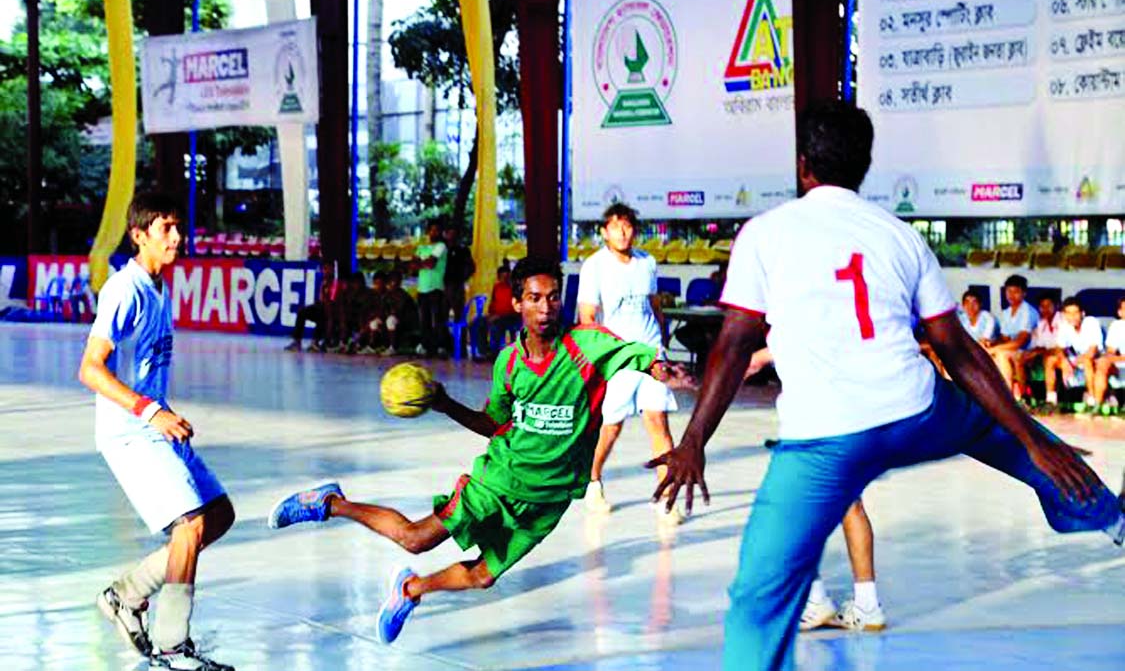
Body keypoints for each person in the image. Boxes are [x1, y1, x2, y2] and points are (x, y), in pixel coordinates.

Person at [650, 101, 1125, 671]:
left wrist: (695, 438)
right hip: (915, 409)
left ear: (803, 166)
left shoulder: (765, 234)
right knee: (993, 429)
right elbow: (959, 350)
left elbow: (731, 345)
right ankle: (1106, 514)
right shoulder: (899, 236)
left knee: (760, 599)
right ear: (865, 166)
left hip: (824, 440)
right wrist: (1032, 437)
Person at [267, 256, 688, 645]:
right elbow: (493, 424)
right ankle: (328, 502)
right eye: (534, 298)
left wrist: (661, 369)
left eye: (554, 297)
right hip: (499, 479)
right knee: (415, 540)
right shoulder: (510, 363)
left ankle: (410, 590)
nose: (546, 308)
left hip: (550, 499)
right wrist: (446, 403)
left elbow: (644, 359)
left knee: (483, 577)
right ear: (518, 302)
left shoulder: (589, 346)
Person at [78, 192, 235, 670]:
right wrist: (149, 411)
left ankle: (127, 595)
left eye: (178, 227)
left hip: (154, 421)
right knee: (190, 525)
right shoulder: (125, 289)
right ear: (139, 234)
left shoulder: (158, 285)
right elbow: (90, 369)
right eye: (166, 228)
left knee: (218, 514)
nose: (178, 237)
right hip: (130, 429)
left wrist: (160, 412)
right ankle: (172, 647)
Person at [746, 348, 886, 632]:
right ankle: (866, 604)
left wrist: (756, 358)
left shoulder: (802, 311)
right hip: (848, 413)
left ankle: (815, 600)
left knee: (793, 508)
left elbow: (795, 334)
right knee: (850, 504)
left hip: (814, 416)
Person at [577, 203, 685, 524]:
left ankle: (666, 497)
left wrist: (661, 348)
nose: (622, 233)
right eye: (615, 227)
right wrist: (599, 358)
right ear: (604, 232)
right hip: (618, 359)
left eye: (627, 226)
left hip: (651, 353)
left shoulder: (646, 262)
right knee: (611, 427)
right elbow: (587, 317)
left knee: (658, 422)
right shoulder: (594, 266)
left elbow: (655, 307)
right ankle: (593, 482)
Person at [1043, 297, 1104, 410]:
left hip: (1095, 360)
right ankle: (1050, 400)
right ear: (1064, 315)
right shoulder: (1064, 325)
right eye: (1068, 313)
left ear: (1082, 313)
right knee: (1051, 360)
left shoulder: (1091, 322)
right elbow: (1059, 348)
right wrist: (1065, 362)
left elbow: (1092, 351)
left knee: (1086, 361)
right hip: (1075, 361)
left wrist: (1072, 364)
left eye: (1075, 313)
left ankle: (1091, 401)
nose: (1072, 317)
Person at [988, 275, 1038, 397]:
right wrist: (992, 343)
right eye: (1008, 291)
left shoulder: (1028, 311)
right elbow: (1005, 338)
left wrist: (992, 349)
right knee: (997, 355)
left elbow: (1019, 343)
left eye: (1016, 292)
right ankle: (1003, 396)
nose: (1011, 295)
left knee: (1001, 354)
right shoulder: (1006, 313)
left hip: (1030, 352)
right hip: (1012, 350)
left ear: (1024, 293)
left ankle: (1014, 397)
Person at [1014, 295, 1063, 401]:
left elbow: (1061, 347)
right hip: (1044, 354)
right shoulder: (1041, 323)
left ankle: (1051, 400)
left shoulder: (1063, 320)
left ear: (1056, 306)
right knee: (1019, 358)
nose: (1045, 309)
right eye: (1042, 306)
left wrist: (1038, 352)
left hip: (1062, 354)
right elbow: (1038, 345)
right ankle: (1025, 397)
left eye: (1048, 306)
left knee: (1047, 359)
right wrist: (1029, 354)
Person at [415, 219, 449, 357]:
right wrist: (423, 263)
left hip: (435, 287)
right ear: (428, 231)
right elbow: (412, 265)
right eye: (432, 230)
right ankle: (426, 346)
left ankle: (441, 346)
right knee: (424, 320)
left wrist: (421, 263)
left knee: (438, 319)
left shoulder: (441, 246)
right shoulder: (421, 247)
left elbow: (431, 264)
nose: (434, 232)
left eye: (437, 230)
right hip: (421, 288)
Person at [472, 263, 521, 358]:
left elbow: (514, 308)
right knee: (477, 323)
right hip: (496, 315)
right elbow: (493, 303)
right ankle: (484, 351)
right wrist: (491, 314)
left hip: (510, 316)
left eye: (507, 277)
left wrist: (497, 316)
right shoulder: (497, 287)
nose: (505, 279)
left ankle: (494, 353)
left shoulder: (514, 288)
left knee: (495, 326)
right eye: (503, 277)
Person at [285, 262, 335, 352]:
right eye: (324, 269)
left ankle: (315, 342)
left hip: (330, 309)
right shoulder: (324, 281)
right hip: (321, 305)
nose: (325, 271)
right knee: (302, 312)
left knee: (322, 315)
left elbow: (332, 301)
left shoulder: (335, 283)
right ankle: (297, 341)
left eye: (327, 269)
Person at [1092, 296, 1125, 413]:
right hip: (1120, 364)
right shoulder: (1117, 326)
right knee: (1102, 364)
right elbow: (1110, 351)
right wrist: (1107, 358)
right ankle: (1097, 405)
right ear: (1120, 312)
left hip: (1121, 360)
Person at [443, 222, 476, 338]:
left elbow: (471, 267)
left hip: (456, 286)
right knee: (442, 316)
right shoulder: (441, 249)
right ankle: (446, 344)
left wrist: (462, 278)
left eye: (453, 234)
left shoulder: (463, 250)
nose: (451, 236)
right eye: (449, 234)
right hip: (442, 285)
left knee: (459, 316)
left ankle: (461, 346)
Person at [381, 269, 420, 356]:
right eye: (392, 281)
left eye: (396, 281)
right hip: (397, 322)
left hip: (407, 323)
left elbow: (399, 313)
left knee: (391, 320)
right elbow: (383, 310)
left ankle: (393, 347)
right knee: (377, 322)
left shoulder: (403, 295)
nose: (393, 283)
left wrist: (389, 314)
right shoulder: (387, 295)